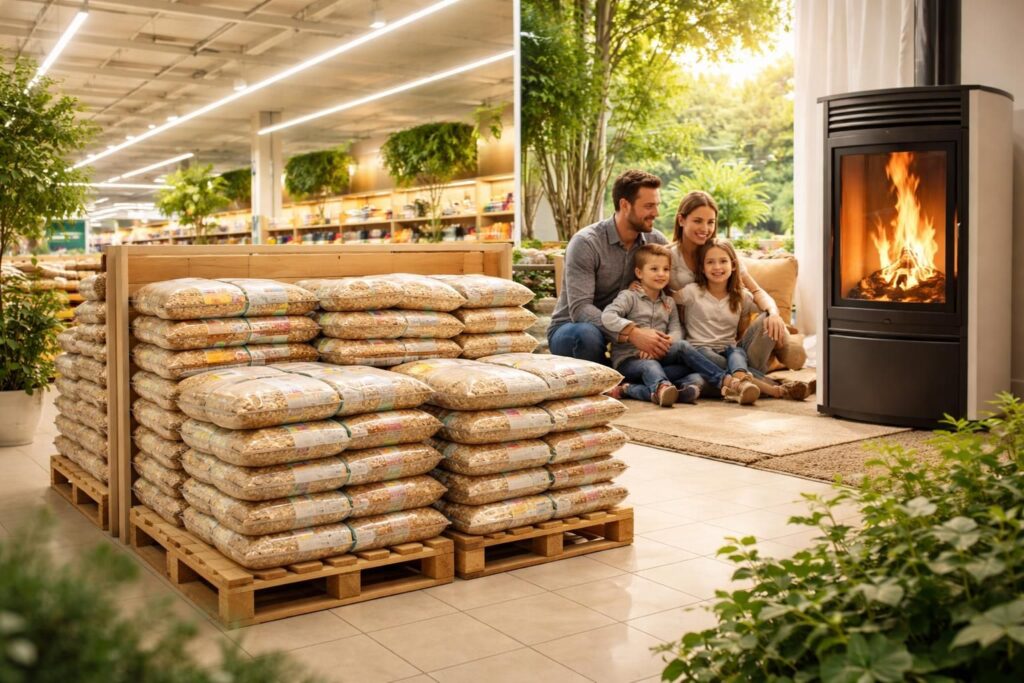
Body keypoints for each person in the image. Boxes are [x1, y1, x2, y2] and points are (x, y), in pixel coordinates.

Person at [669, 190, 807, 374]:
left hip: (728, 342)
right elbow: (657, 292)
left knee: (766, 319)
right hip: (695, 344)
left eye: (711, 222)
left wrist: (774, 313)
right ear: (681, 220)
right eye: (697, 221)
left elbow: (756, 291)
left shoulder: (722, 252)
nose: (705, 228)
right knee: (705, 367)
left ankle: (743, 372)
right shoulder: (668, 256)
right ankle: (752, 376)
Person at [547, 170, 673, 366]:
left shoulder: (655, 241)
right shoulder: (586, 243)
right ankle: (617, 378)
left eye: (656, 205)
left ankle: (626, 377)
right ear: (625, 205)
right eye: (649, 206)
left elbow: (681, 277)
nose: (656, 213)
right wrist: (631, 332)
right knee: (587, 335)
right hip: (574, 329)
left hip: (630, 334)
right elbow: (580, 310)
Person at [673, 238, 813, 403]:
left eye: (723, 261)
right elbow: (666, 296)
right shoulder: (692, 292)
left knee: (765, 320)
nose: (717, 267)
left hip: (732, 353)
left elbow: (764, 304)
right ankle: (774, 387)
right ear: (702, 268)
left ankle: (739, 381)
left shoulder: (741, 296)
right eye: (710, 262)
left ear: (733, 266)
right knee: (698, 378)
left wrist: (774, 315)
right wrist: (640, 287)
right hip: (702, 355)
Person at [600, 244, 707, 407]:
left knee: (694, 375)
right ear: (639, 273)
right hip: (629, 361)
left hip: (660, 358)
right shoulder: (629, 297)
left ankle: (632, 389)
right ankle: (662, 387)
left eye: (666, 269)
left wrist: (662, 344)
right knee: (650, 366)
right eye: (654, 269)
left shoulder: (669, 302)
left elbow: (676, 330)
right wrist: (635, 332)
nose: (661, 274)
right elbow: (607, 316)